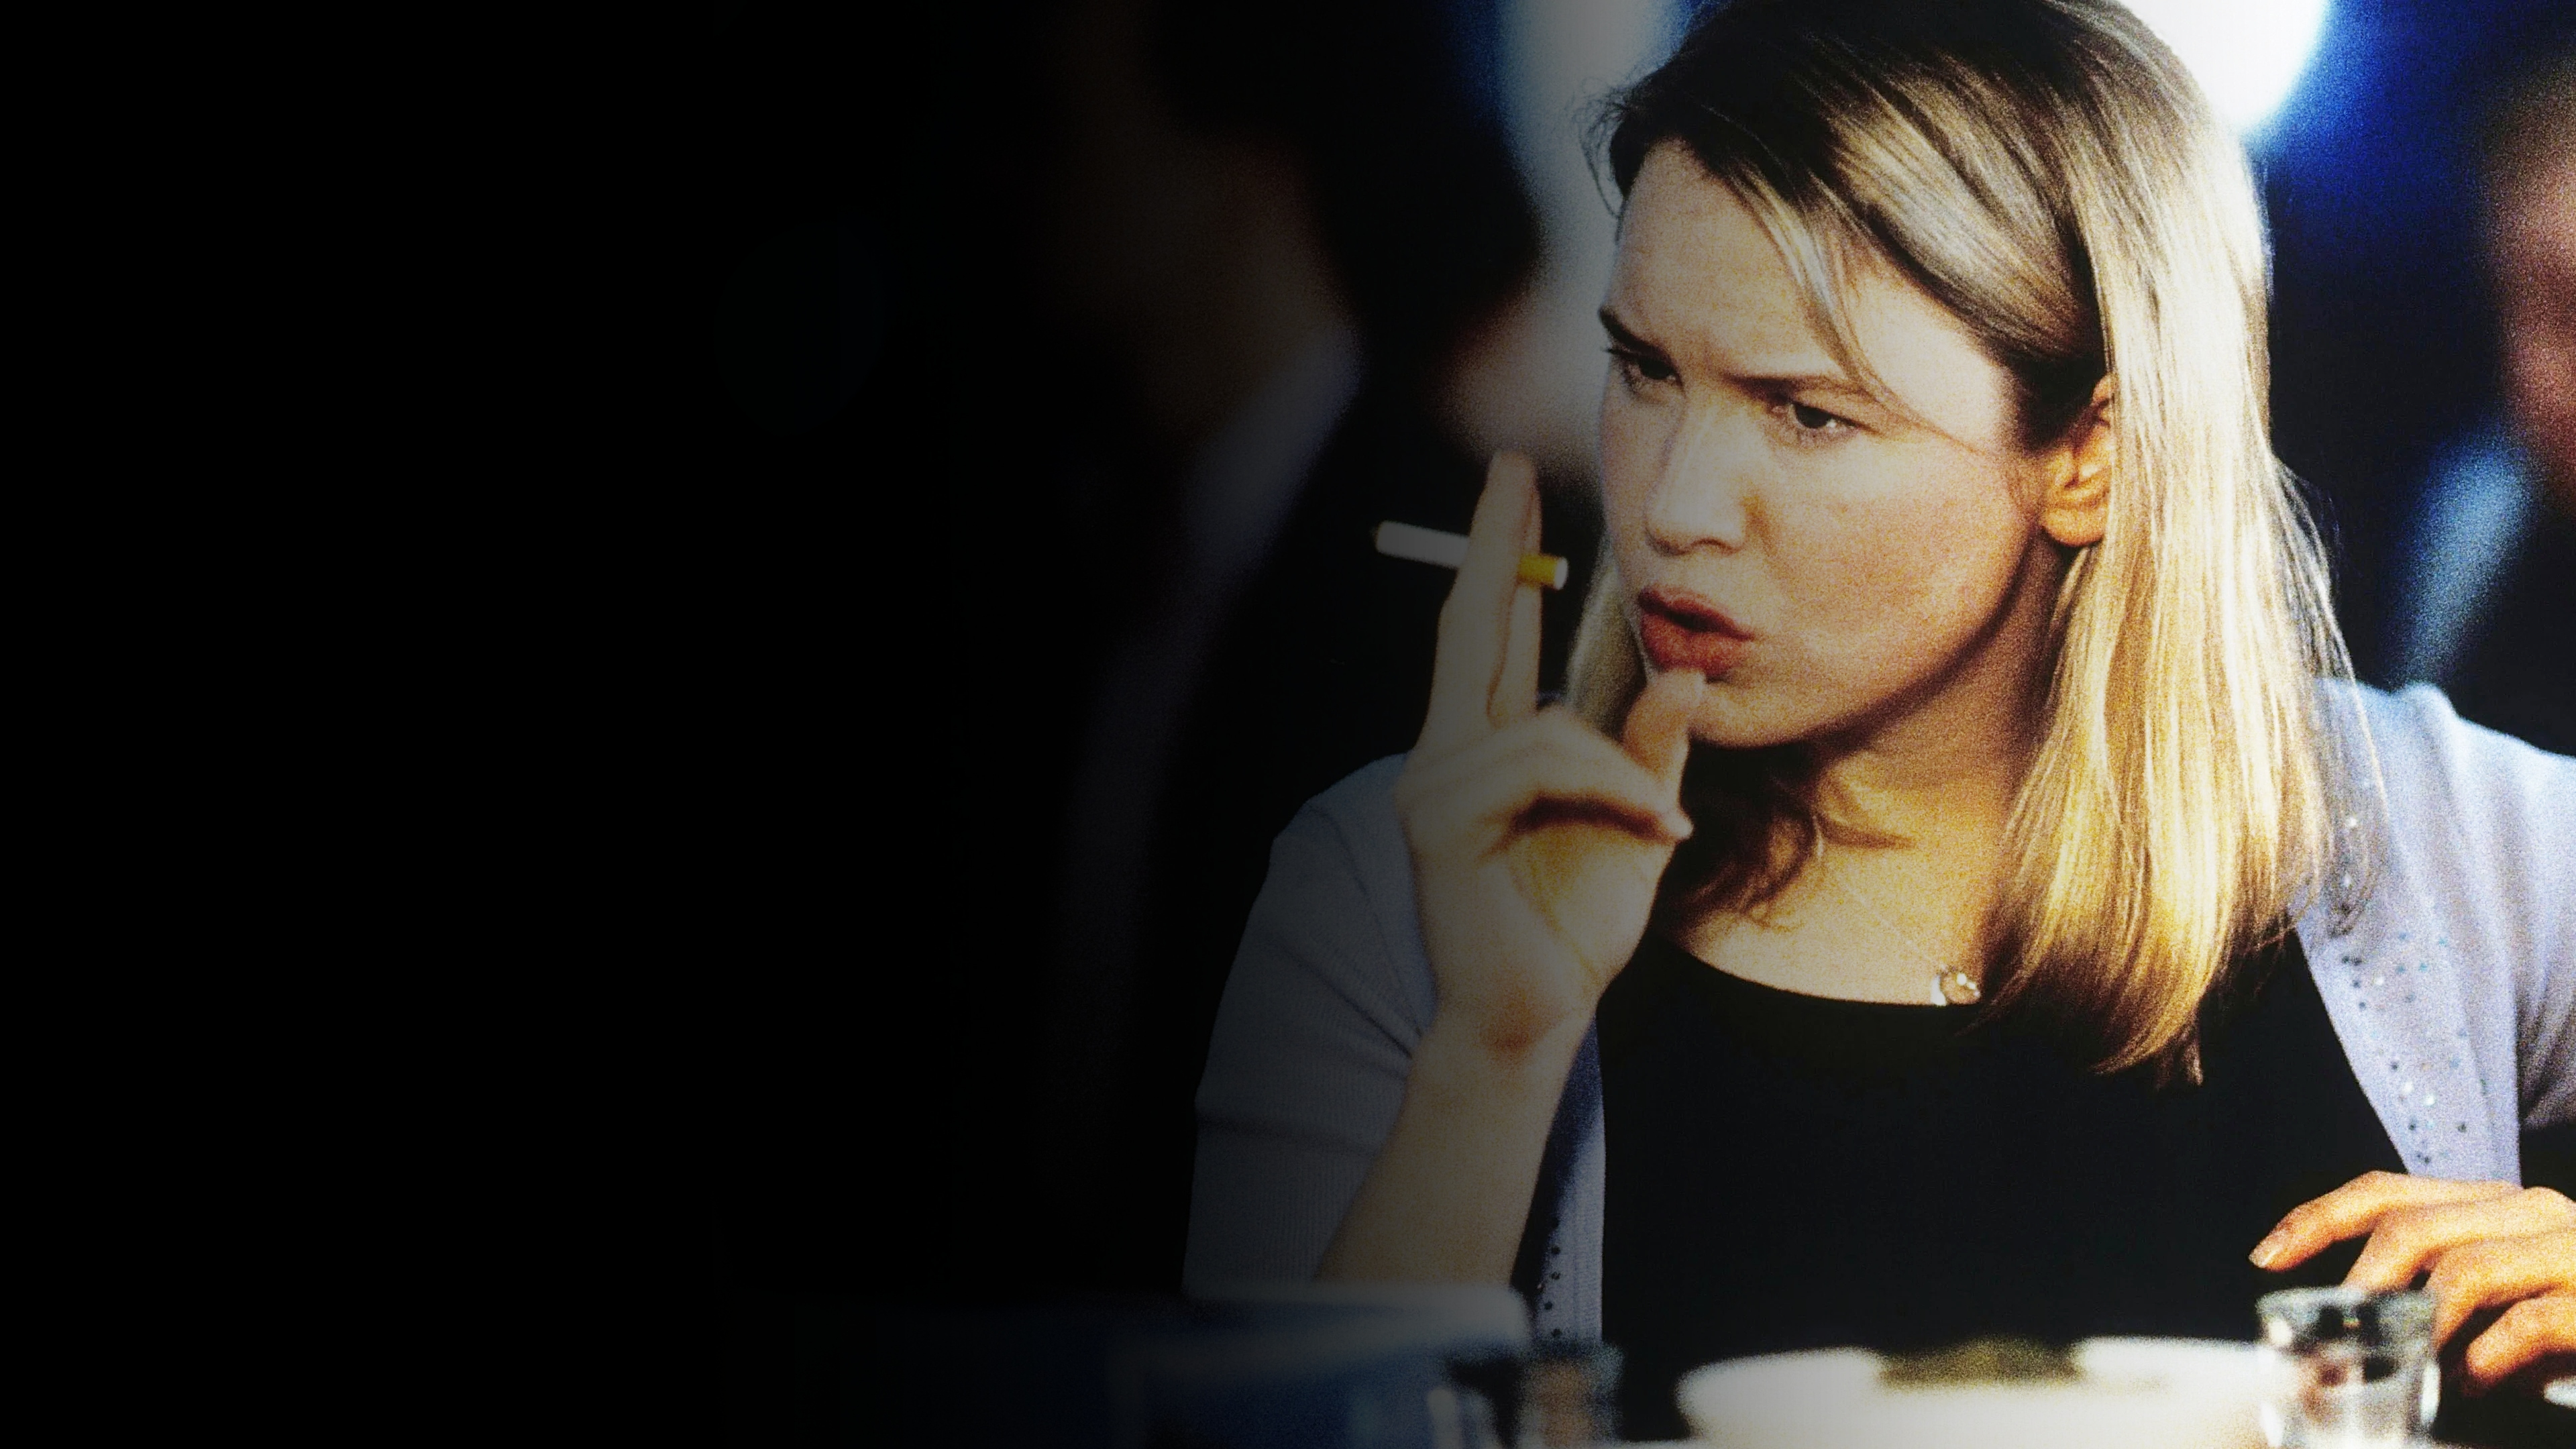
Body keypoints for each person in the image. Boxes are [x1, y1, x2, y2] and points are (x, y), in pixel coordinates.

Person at [1179, 0, 2576, 1435]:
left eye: (1807, 414)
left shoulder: (2441, 842)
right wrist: (1488, 1059)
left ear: (2090, 454)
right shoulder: (1398, 897)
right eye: (1646, 370)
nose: (1674, 506)